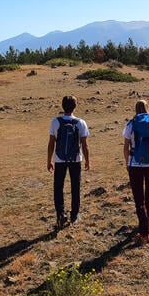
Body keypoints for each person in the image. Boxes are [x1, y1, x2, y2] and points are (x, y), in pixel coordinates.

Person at [122, 99, 149, 244]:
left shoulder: (131, 125)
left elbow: (126, 147)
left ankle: (144, 233)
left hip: (136, 164)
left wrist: (128, 163)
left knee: (139, 199)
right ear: (148, 108)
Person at [47, 95, 90, 227]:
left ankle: (60, 214)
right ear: (75, 106)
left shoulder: (55, 122)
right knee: (75, 187)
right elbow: (84, 145)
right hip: (75, 159)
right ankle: (74, 215)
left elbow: (51, 143)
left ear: (62, 106)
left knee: (58, 187)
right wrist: (87, 160)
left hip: (59, 159)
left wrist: (49, 160)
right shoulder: (81, 123)